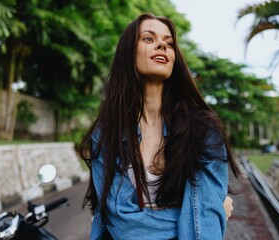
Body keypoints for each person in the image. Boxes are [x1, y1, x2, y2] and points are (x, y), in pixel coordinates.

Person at [80, 13, 240, 239]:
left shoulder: (202, 129)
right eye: (148, 39)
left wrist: (206, 217)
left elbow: (205, 227)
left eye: (169, 43)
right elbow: (122, 224)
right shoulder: (106, 133)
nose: (162, 45)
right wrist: (200, 216)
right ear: (128, 52)